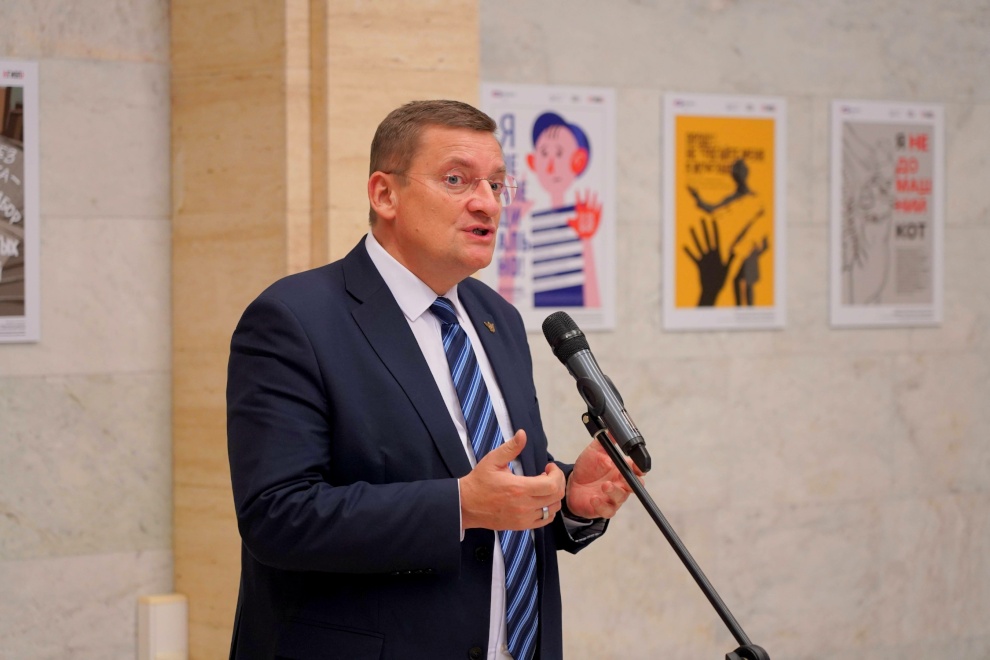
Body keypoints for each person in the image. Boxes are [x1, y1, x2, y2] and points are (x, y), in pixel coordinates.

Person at [226, 99, 640, 660]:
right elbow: (277, 516)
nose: (486, 202)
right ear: (384, 194)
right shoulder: (295, 319)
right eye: (456, 180)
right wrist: (459, 507)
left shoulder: (498, 318)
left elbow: (490, 480)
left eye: (497, 185)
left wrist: (569, 497)